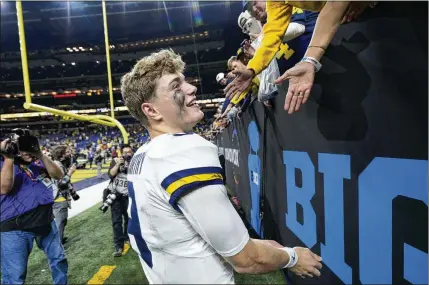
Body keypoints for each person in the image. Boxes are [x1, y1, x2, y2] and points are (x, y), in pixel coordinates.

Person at [121, 49, 322, 284]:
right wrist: (293, 257)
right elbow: (246, 259)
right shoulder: (182, 152)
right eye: (176, 86)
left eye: (185, 81)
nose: (191, 88)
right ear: (151, 110)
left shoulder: (143, 154)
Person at [225, 1, 375, 114]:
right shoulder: (275, 4)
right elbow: (273, 35)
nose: (255, 10)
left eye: (255, 3)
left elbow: (334, 5)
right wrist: (252, 70)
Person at [0, 138, 68, 285]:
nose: (28, 151)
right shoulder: (4, 163)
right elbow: (4, 188)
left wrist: (40, 154)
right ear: (14, 150)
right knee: (15, 276)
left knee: (59, 259)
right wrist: (9, 158)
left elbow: (59, 175)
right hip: (15, 228)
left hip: (46, 220)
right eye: (23, 148)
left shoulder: (37, 163)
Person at [106, 145, 134, 257]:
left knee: (129, 219)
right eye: (125, 152)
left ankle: (127, 237)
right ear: (121, 153)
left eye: (129, 152)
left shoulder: (134, 162)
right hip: (116, 195)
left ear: (132, 153)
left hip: (128, 196)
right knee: (116, 221)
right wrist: (118, 164)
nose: (127, 154)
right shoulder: (115, 161)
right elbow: (111, 174)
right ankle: (118, 246)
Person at [51, 145, 77, 244]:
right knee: (60, 221)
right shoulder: (58, 165)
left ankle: (60, 237)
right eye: (67, 152)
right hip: (59, 198)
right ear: (61, 154)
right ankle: (58, 243)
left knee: (62, 221)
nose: (70, 153)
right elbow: (62, 184)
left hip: (58, 197)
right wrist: (70, 172)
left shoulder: (57, 164)